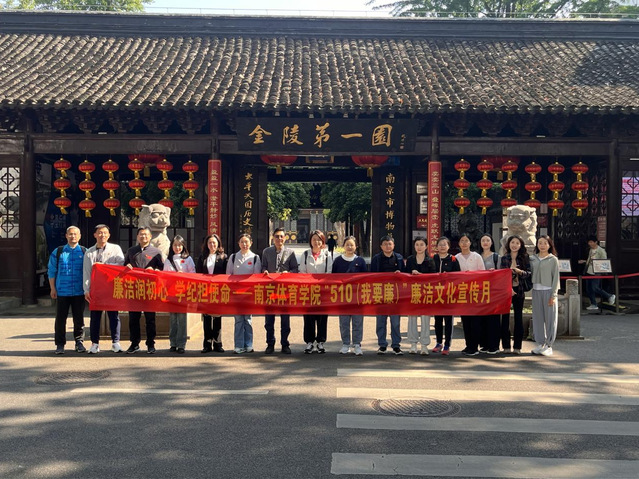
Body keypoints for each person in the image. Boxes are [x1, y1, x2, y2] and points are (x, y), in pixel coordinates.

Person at [83, 224, 125, 354]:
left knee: (114, 316)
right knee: (95, 317)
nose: (102, 235)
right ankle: (95, 343)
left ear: (109, 235)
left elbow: (121, 264)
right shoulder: (89, 252)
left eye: (105, 233)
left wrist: (104, 266)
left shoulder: (115, 248)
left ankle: (115, 342)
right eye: (100, 233)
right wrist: (86, 289)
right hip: (96, 289)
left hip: (111, 286)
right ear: (95, 235)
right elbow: (86, 272)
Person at [124, 227, 164, 354]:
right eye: (141, 234)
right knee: (133, 318)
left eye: (146, 235)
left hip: (149, 290)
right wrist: (127, 266)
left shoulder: (156, 252)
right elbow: (124, 266)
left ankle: (151, 344)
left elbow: (162, 269)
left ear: (150, 237)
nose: (143, 237)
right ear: (137, 237)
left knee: (150, 319)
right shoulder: (131, 251)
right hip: (134, 289)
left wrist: (156, 270)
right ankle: (134, 343)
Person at [48, 225, 87, 355]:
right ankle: (60, 344)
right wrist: (52, 288)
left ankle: (79, 342)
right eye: (70, 234)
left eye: (75, 234)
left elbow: (90, 271)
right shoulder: (58, 252)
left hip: (79, 291)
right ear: (66, 236)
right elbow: (51, 271)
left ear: (79, 236)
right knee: (60, 319)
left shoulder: (85, 252)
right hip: (62, 291)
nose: (73, 236)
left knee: (79, 319)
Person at [261, 227, 299, 354]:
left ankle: (285, 344)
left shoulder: (290, 253)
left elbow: (295, 269)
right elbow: (263, 267)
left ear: (285, 238)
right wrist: (265, 271)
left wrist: (289, 273)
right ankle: (270, 343)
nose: (279, 239)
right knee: (269, 320)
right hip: (270, 289)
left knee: (285, 320)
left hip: (284, 290)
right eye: (277, 236)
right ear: (273, 238)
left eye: (281, 236)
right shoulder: (266, 252)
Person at [226, 234, 262, 354]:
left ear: (251, 243)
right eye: (242, 242)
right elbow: (228, 275)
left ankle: (249, 344)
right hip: (236, 294)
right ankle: (238, 345)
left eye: (246, 242)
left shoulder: (255, 258)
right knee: (238, 320)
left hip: (249, 294)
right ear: (238, 243)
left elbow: (256, 277)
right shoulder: (233, 257)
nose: (244, 244)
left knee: (248, 319)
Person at [332, 236, 368, 356]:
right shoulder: (338, 261)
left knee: (358, 322)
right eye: (347, 244)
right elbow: (333, 278)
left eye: (352, 245)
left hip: (357, 297)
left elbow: (365, 279)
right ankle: (345, 344)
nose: (349, 247)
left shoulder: (360, 261)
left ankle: (357, 344)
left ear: (356, 246)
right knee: (344, 322)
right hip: (343, 297)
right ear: (343, 246)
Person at [299, 229, 333, 354]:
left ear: (322, 241)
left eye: (319, 240)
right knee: (308, 316)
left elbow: (329, 272)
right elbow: (302, 272)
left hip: (323, 291)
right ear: (310, 241)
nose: (316, 242)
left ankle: (320, 342)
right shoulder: (305, 254)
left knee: (322, 317)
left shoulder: (327, 255)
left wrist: (320, 283)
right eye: (314, 239)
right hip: (308, 291)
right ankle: (309, 342)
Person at [370, 235, 405, 355]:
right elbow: (372, 276)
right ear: (381, 246)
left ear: (393, 245)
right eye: (385, 244)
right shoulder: (376, 259)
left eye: (389, 244)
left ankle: (396, 345)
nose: (387, 246)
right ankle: (382, 345)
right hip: (380, 293)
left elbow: (405, 275)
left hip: (395, 294)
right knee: (381, 321)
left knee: (395, 322)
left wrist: (400, 273)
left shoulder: (399, 258)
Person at [195, 234, 228, 353]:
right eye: (210, 243)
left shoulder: (224, 257)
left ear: (218, 244)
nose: (212, 245)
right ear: (206, 244)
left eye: (214, 242)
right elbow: (198, 273)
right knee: (207, 318)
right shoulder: (202, 257)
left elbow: (226, 274)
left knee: (217, 318)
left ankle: (218, 343)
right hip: (205, 291)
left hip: (218, 291)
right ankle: (207, 344)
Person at [500, 235, 532, 355]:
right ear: (509, 244)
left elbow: (529, 273)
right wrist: (508, 288)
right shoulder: (504, 258)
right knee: (505, 318)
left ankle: (517, 346)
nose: (514, 245)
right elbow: (502, 275)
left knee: (518, 317)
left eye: (517, 243)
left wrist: (520, 272)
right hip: (506, 290)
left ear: (521, 245)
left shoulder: (524, 258)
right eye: (512, 242)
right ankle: (506, 346)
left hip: (519, 290)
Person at [164, 235, 196, 354]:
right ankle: (173, 343)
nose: (177, 247)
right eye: (175, 245)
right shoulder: (168, 260)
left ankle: (181, 344)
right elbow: (164, 276)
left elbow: (193, 274)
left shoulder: (188, 259)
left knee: (182, 319)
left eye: (179, 245)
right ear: (171, 246)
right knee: (173, 319)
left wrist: (184, 275)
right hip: (172, 293)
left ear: (183, 246)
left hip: (183, 293)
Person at [455, 233, 486, 356]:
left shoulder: (477, 257)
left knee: (475, 321)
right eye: (462, 241)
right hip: (462, 292)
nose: (464, 243)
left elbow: (483, 274)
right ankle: (468, 345)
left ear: (470, 243)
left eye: (466, 240)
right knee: (465, 320)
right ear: (459, 243)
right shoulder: (456, 258)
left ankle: (474, 346)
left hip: (475, 292)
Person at [530, 235, 560, 357]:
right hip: (536, 291)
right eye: (540, 243)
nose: (542, 245)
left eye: (545, 243)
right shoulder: (532, 259)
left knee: (550, 319)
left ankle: (549, 345)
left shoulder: (553, 259)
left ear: (549, 245)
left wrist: (554, 295)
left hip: (548, 291)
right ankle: (540, 343)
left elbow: (556, 278)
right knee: (538, 318)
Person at [405, 236, 435, 355]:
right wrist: (411, 273)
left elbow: (434, 277)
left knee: (425, 319)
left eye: (422, 244)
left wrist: (421, 275)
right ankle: (413, 344)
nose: (419, 247)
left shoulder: (430, 260)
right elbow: (405, 275)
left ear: (426, 246)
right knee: (412, 318)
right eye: (417, 244)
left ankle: (424, 345)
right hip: (413, 293)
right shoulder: (410, 260)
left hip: (426, 293)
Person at [432, 236, 460, 356]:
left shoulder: (453, 259)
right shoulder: (433, 258)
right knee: (437, 320)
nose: (442, 246)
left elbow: (458, 276)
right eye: (440, 244)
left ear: (448, 246)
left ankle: (447, 344)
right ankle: (438, 343)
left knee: (448, 320)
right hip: (436, 293)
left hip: (449, 294)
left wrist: (448, 276)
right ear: (437, 246)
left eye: (445, 244)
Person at [579, 235, 616, 310]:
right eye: (589, 242)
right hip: (589, 271)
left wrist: (598, 266)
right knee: (589, 289)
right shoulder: (590, 250)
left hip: (596, 271)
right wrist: (585, 261)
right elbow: (590, 260)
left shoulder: (601, 251)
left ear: (596, 242)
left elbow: (604, 261)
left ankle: (609, 296)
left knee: (595, 287)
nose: (590, 244)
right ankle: (593, 304)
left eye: (591, 242)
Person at [478, 233, 501, 355]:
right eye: (483, 240)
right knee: (482, 319)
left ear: (491, 242)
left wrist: (495, 272)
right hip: (480, 292)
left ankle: (494, 345)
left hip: (493, 292)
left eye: (487, 240)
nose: (485, 242)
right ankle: (484, 344)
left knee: (493, 319)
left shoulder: (497, 257)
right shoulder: (476, 256)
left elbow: (501, 274)